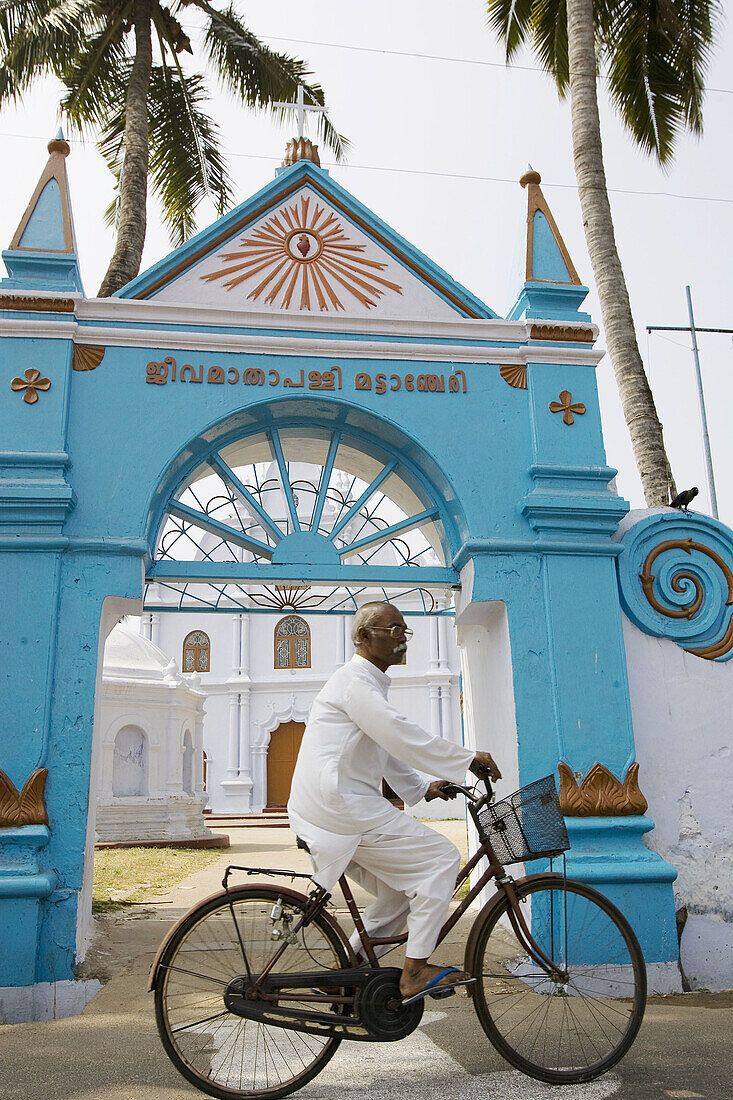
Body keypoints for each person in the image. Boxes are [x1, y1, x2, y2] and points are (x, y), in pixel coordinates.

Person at [287, 600, 501, 1003]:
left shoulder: (367, 685)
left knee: (400, 894)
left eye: (405, 630)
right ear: (364, 637)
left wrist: (422, 788)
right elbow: (397, 733)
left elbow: (383, 745)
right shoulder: (354, 682)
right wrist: (465, 758)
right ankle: (415, 972)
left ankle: (345, 972)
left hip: (335, 807)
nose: (401, 639)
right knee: (440, 858)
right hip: (341, 806)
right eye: (392, 630)